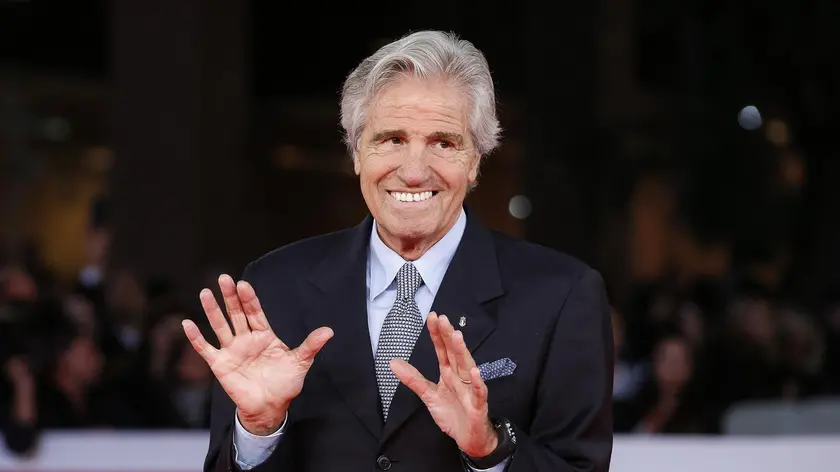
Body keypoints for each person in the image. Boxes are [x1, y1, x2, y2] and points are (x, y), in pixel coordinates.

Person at [183, 30, 613, 472]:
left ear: (475, 162)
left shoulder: (562, 295)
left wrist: (490, 447)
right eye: (391, 140)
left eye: (443, 143)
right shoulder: (272, 289)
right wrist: (259, 430)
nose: (413, 172)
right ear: (356, 154)